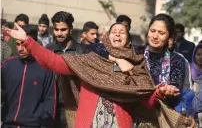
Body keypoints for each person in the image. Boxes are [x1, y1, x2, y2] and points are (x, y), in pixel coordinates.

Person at [3, 21, 194, 128]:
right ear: (108, 38)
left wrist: (159, 92)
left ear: (128, 40)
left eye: (122, 32)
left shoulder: (136, 67)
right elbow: (54, 62)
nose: (117, 34)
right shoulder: (91, 61)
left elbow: (146, 100)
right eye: (114, 31)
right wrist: (27, 41)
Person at [1, 25, 56, 128]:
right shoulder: (6, 65)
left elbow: (50, 102)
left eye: (24, 44)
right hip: (7, 124)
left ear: (33, 42)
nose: (20, 49)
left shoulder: (46, 69)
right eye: (17, 44)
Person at [46, 11, 89, 128]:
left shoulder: (83, 51)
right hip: (52, 108)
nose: (59, 33)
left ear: (71, 29)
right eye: (56, 29)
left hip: (75, 108)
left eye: (63, 29)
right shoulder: (49, 50)